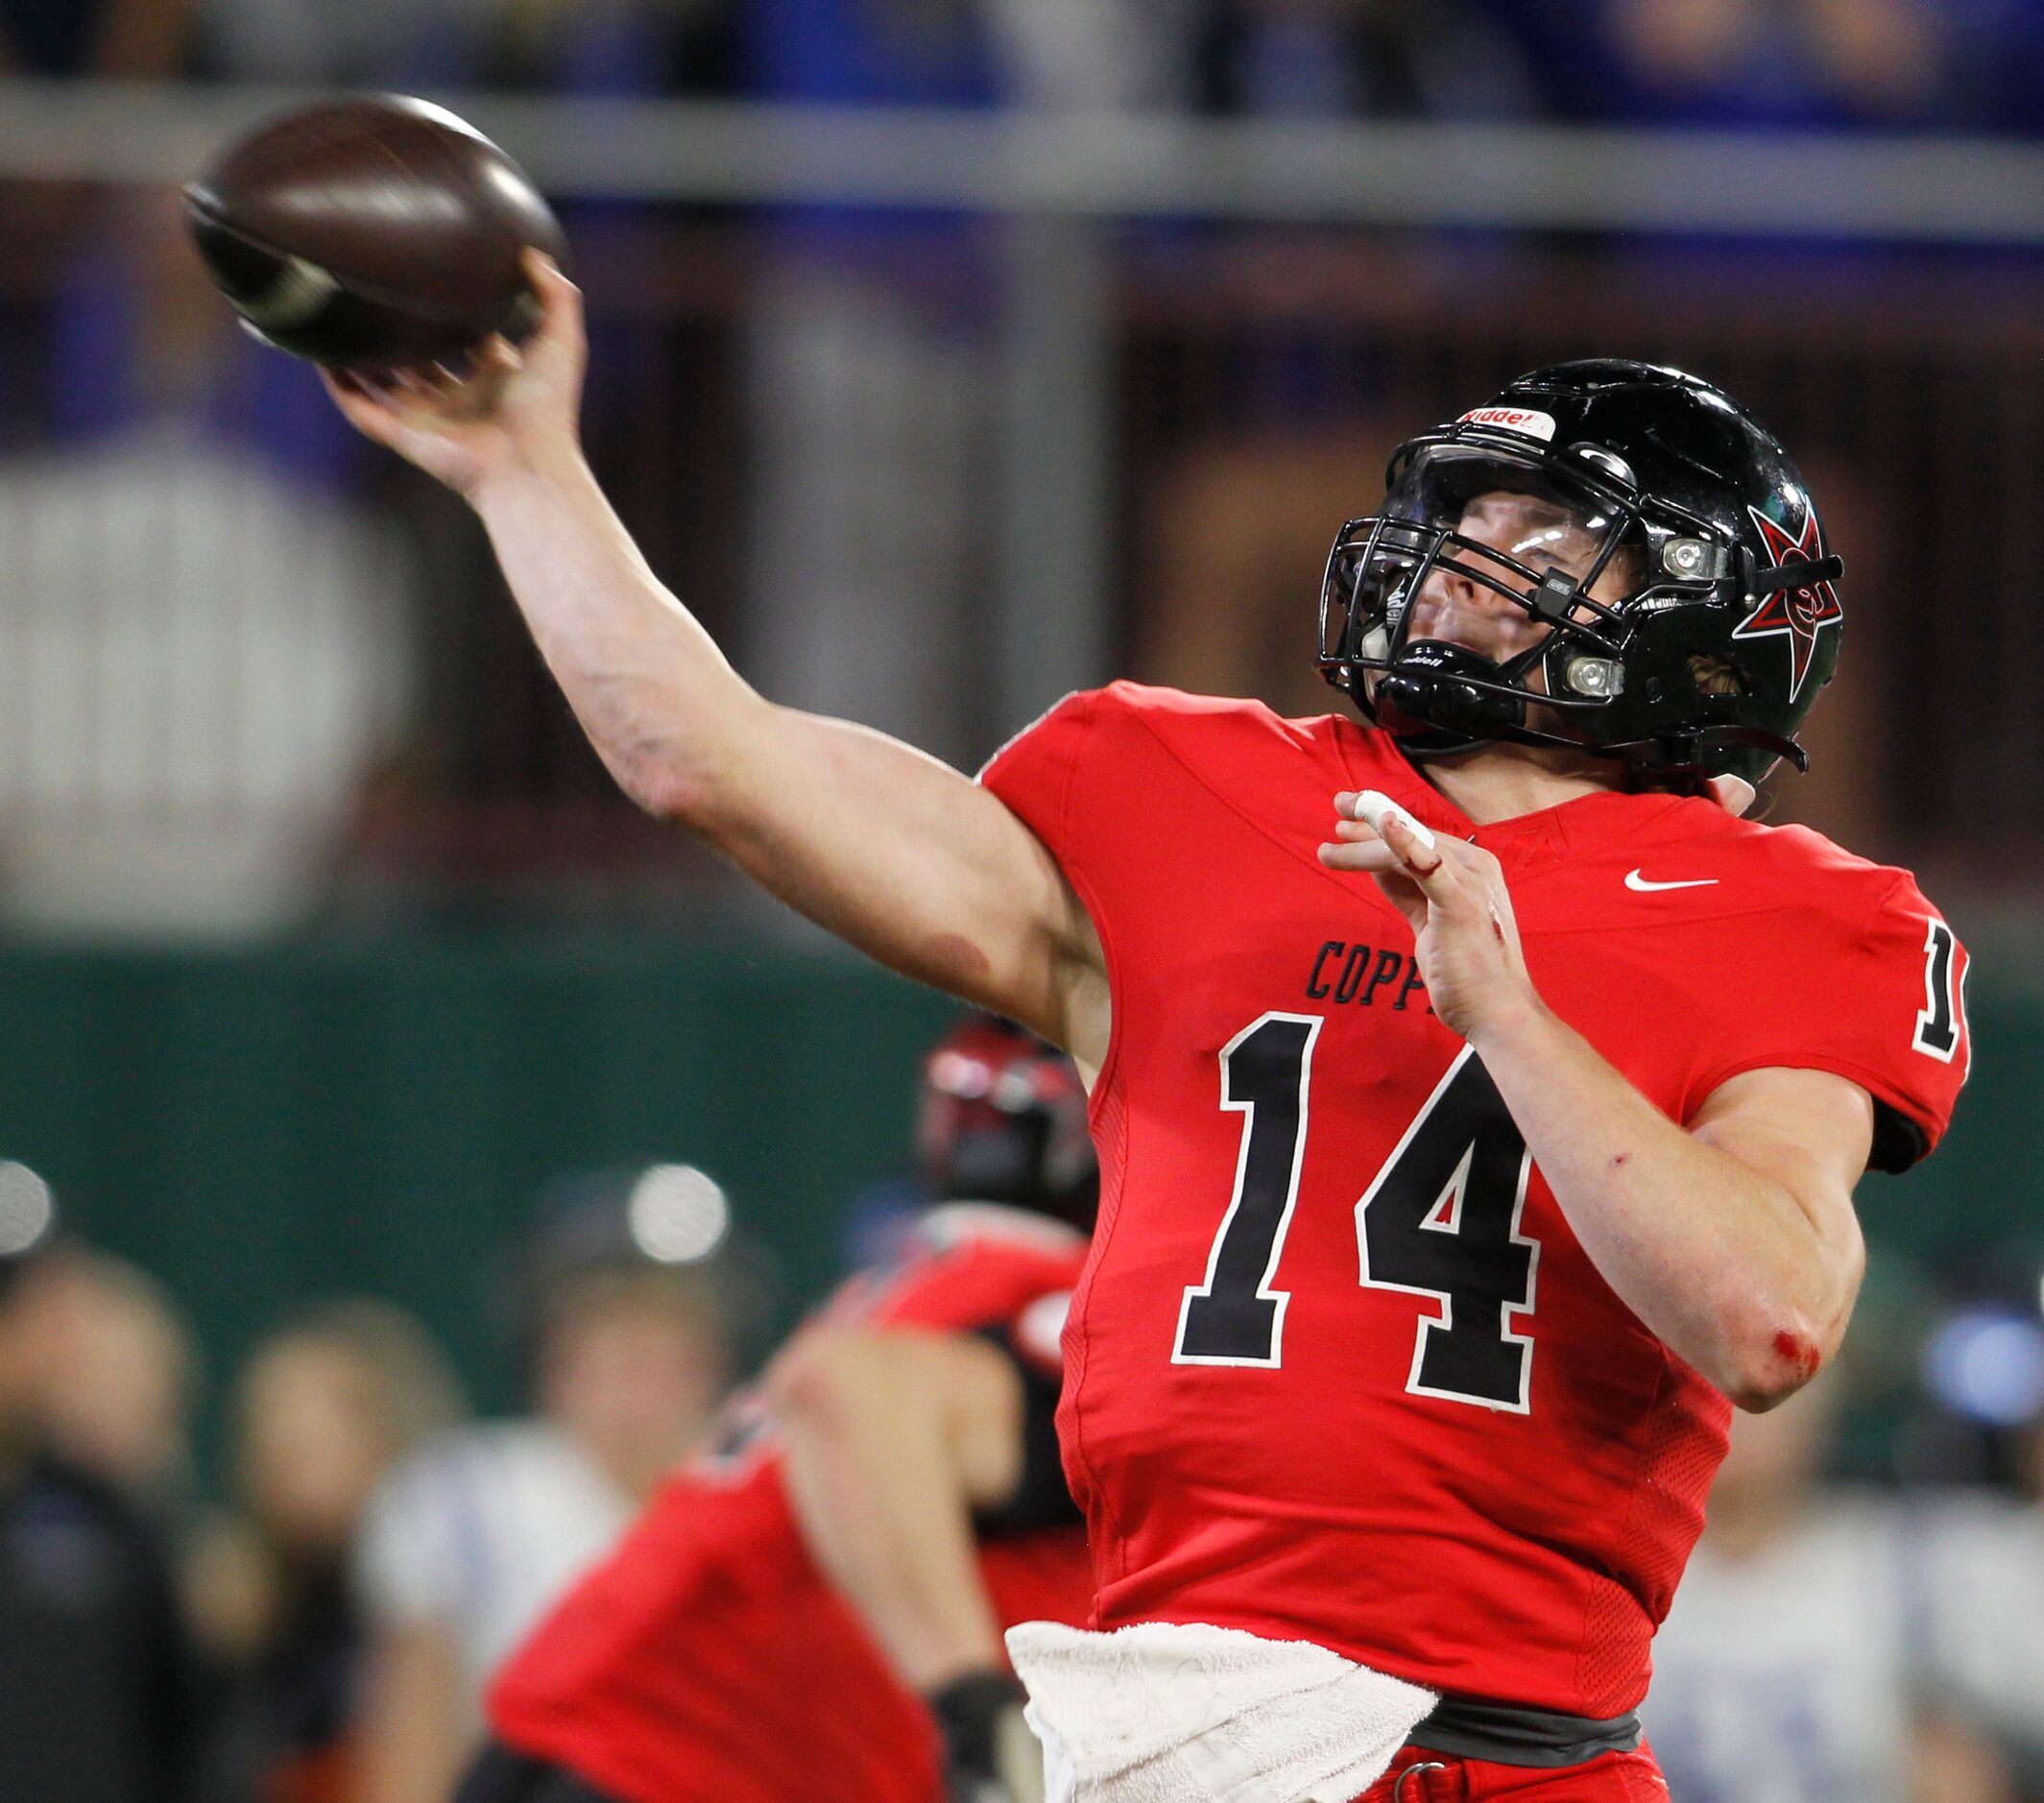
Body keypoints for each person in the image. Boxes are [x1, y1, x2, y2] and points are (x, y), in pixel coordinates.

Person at [322, 267, 1969, 1802]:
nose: (1469, 550)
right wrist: (522, 469)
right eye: (1466, 506)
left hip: (1524, 1742)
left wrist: (1508, 1012)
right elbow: (709, 761)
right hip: (1183, 1721)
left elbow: (1764, 1316)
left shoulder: (1787, 912)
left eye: (1543, 523)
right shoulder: (1192, 789)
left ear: (1693, 604)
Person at [465, 1015, 1099, 1803]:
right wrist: (977, 1716)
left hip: (585, 1741)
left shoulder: (934, 1285)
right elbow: (843, 1388)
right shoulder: (1052, 1308)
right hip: (669, 1769)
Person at [351, 1252, 730, 1803]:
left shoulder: (762, 1488)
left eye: (659, 1354)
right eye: (614, 1355)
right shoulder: (465, 1495)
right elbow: (414, 1732)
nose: (635, 1388)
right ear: (558, 1365)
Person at [1642, 1376, 2013, 1803]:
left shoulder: (1896, 1560)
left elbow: (1960, 1770)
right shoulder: (1610, 1569)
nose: (1740, 1423)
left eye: (1761, 1401)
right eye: (1718, 1396)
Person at [191, 1300, 466, 1803]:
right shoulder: (227, 1623)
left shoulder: (435, 1620)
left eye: (330, 1417)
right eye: (274, 1421)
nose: (294, 1442)